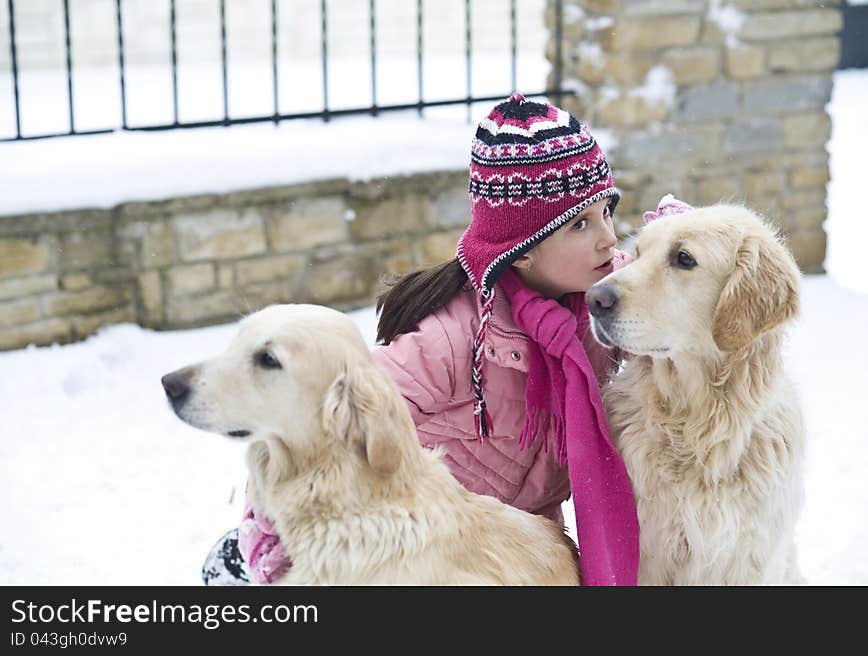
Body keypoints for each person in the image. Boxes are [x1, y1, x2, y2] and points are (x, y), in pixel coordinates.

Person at [202, 93, 639, 586]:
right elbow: (315, 428)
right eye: (581, 224)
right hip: (414, 548)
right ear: (521, 252)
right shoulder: (449, 340)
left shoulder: (602, 307)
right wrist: (275, 548)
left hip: (511, 549)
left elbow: (671, 287)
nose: (608, 237)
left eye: (607, 211)